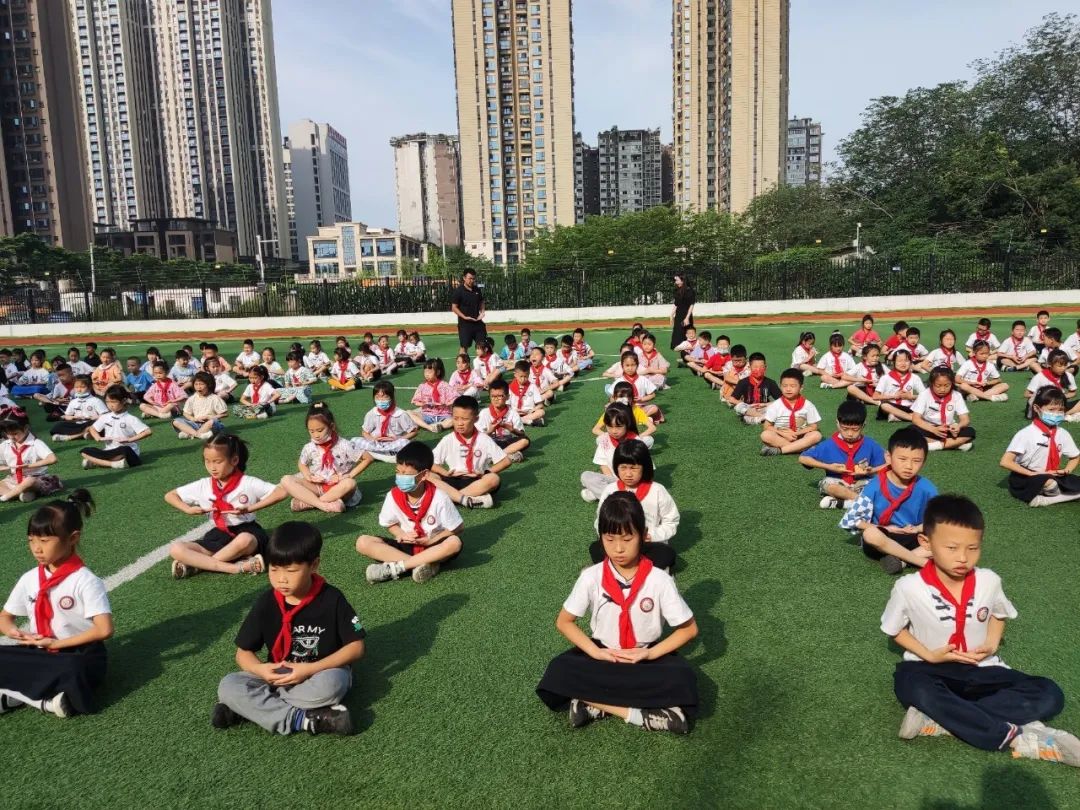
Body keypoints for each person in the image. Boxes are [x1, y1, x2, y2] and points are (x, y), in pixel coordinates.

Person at [881, 494, 1080, 766]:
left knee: (1050, 693)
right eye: (951, 548)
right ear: (925, 543)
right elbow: (894, 631)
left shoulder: (989, 580)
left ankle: (940, 719)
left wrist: (993, 642)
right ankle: (1018, 737)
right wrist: (930, 655)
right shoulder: (908, 587)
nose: (963, 557)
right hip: (930, 667)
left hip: (982, 668)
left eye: (972, 548)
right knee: (912, 685)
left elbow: (999, 613)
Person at [536, 492, 698, 734]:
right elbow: (564, 622)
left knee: (683, 679)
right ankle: (647, 712)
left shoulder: (659, 579)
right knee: (557, 671)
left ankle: (598, 704)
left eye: (627, 538)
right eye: (609, 540)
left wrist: (650, 654)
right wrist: (595, 651)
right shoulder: (591, 577)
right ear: (600, 537)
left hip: (645, 657)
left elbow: (689, 629)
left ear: (643, 536)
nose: (618, 548)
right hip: (604, 655)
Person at [213, 522, 364, 736]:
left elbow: (356, 647)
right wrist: (260, 670)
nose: (281, 579)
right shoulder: (266, 602)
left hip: (319, 672)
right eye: (273, 569)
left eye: (291, 571)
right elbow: (243, 652)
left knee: (333, 684)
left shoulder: (332, 599)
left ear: (314, 565)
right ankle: (304, 719)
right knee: (228, 685)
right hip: (275, 673)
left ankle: (249, 710)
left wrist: (309, 669)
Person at [0, 489, 111, 717]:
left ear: (73, 538)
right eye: (31, 540)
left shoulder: (85, 580)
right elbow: (5, 617)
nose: (36, 548)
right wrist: (16, 632)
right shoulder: (30, 578)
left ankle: (20, 694)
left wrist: (57, 645)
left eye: (44, 540)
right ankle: (41, 698)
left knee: (73, 669)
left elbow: (104, 629)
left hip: (78, 653)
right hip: (41, 650)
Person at [164, 433, 286, 578]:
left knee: (244, 540)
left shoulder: (248, 482)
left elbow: (281, 492)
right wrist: (188, 509)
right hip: (219, 535)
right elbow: (170, 495)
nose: (212, 467)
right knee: (176, 549)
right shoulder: (204, 485)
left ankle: (197, 565)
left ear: (234, 460)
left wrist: (250, 508)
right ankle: (236, 567)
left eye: (217, 461)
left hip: (247, 532)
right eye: (207, 461)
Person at [356, 441, 465, 585]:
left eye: (406, 474)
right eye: (398, 472)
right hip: (408, 545)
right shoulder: (393, 495)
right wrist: (401, 535)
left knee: (454, 543)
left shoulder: (439, 497)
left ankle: (399, 567)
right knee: (362, 542)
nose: (400, 478)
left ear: (424, 475)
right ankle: (423, 565)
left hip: (433, 545)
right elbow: (390, 523)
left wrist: (430, 540)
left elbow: (458, 527)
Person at [839, 427, 938, 574]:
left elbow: (939, 521)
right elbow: (851, 520)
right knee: (870, 534)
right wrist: (888, 529)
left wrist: (916, 529)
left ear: (924, 462)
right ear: (888, 457)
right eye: (902, 459)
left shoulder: (927, 488)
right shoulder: (874, 486)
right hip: (884, 538)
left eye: (916, 461)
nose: (909, 466)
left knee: (948, 537)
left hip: (914, 536)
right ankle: (920, 561)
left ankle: (901, 561)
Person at [592, 440, 678, 570]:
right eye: (623, 468)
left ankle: (627, 570)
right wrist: (610, 539)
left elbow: (671, 521)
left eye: (634, 468)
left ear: (645, 467)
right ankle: (635, 570)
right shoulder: (610, 490)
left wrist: (652, 535)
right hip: (619, 544)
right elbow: (600, 521)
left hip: (647, 544)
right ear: (616, 467)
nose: (628, 474)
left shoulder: (657, 490)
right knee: (595, 548)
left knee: (667, 554)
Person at [1000, 387, 1080, 507]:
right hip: (1026, 476)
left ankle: (1051, 497)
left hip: (1053, 473)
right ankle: (1046, 498)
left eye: (1060, 410)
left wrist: (1066, 470)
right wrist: (1031, 474)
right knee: (1049, 483)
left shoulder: (1063, 433)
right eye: (1052, 409)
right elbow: (1005, 462)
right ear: (1037, 408)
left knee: (1054, 480)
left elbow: (1075, 456)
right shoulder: (1026, 433)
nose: (1056, 414)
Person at [799, 400, 887, 509]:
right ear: (837, 423)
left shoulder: (870, 444)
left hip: (861, 482)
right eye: (845, 428)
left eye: (855, 429)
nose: (850, 434)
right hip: (837, 481)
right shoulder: (829, 444)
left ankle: (844, 503)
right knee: (830, 486)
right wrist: (829, 467)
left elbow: (891, 462)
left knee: (879, 486)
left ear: (863, 424)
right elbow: (803, 458)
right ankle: (864, 503)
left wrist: (872, 470)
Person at [279, 403, 363, 514]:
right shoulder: (310, 447)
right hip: (317, 487)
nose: (316, 435)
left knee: (350, 483)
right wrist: (308, 476)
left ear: (332, 427)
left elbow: (368, 458)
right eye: (311, 431)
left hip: (339, 489)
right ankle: (323, 504)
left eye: (320, 430)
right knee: (286, 480)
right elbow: (302, 463)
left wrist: (348, 475)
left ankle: (310, 502)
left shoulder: (344, 445)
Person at [429, 396, 509, 509]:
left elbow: (506, 461)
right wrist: (445, 473)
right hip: (453, 478)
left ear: (476, 419)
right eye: (456, 418)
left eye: (465, 419)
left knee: (493, 479)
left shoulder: (484, 439)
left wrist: (485, 472)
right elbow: (430, 463)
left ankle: (451, 499)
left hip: (476, 480)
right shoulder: (448, 439)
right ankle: (469, 499)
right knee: (427, 476)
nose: (460, 423)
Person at [80, 386, 152, 470]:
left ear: (124, 401)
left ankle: (96, 462)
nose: (110, 405)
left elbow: (148, 431)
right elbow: (92, 428)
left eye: (113, 401)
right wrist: (98, 438)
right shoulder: (105, 417)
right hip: (109, 451)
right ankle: (113, 464)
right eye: (107, 402)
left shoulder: (130, 418)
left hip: (126, 452)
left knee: (125, 449)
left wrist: (129, 440)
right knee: (84, 451)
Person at [0, 406, 61, 503]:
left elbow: (52, 459)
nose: (11, 437)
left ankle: (7, 496)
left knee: (29, 481)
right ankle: (21, 493)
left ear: (26, 428)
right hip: (14, 479)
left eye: (15, 433)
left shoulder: (36, 443)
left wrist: (28, 465)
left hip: (36, 479)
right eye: (8, 434)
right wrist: (4, 467)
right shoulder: (5, 445)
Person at [760, 369, 823, 456]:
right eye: (785, 386)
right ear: (780, 386)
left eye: (793, 386)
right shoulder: (775, 405)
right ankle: (802, 448)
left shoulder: (808, 405)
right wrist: (784, 434)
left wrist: (795, 433)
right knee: (765, 435)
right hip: (782, 436)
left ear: (801, 388)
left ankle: (780, 450)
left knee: (816, 435)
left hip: (801, 436)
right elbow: (767, 426)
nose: (788, 389)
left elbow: (814, 427)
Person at [582, 404, 638, 501]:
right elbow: (602, 463)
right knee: (586, 476)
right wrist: (612, 483)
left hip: (632, 482)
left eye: (618, 427)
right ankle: (615, 496)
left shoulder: (636, 441)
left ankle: (606, 496)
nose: (614, 431)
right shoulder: (604, 439)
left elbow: (646, 469)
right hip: (613, 480)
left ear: (627, 424)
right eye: (610, 427)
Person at [911, 368, 975, 452]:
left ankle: (933, 446)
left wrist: (958, 427)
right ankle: (954, 444)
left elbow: (965, 419)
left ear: (952, 384)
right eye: (938, 386)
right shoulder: (924, 394)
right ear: (931, 383)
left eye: (947, 385)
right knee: (910, 431)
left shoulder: (956, 395)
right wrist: (933, 429)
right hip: (929, 428)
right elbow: (915, 419)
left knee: (970, 431)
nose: (942, 389)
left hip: (948, 429)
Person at [352, 379, 418, 461]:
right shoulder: (372, 413)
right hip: (376, 443)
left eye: (385, 397)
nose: (381, 400)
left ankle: (375, 454)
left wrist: (398, 439)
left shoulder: (401, 414)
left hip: (394, 443)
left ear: (392, 397)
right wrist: (373, 439)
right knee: (354, 441)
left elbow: (413, 431)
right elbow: (365, 432)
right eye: (377, 397)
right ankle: (387, 454)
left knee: (405, 443)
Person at [476, 378, 529, 463]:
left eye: (500, 396)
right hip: (491, 441)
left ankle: (495, 457)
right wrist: (490, 431)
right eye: (493, 396)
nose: (496, 399)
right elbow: (477, 437)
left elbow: (522, 434)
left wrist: (512, 430)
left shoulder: (512, 413)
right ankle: (507, 455)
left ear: (507, 397)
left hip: (507, 442)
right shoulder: (484, 413)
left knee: (525, 440)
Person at [726, 352, 781, 424]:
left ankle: (757, 419)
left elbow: (782, 399)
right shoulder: (743, 382)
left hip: (764, 408)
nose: (758, 369)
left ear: (765, 367)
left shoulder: (770, 382)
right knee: (738, 407)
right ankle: (763, 418)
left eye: (761, 367)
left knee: (778, 405)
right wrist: (746, 405)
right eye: (755, 367)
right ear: (749, 367)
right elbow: (732, 399)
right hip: (749, 408)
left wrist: (765, 404)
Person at [51, 375, 108, 441]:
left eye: (82, 387)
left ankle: (69, 437)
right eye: (76, 387)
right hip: (78, 424)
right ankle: (86, 434)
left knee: (98, 424)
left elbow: (106, 415)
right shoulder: (73, 402)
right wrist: (73, 417)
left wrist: (94, 417)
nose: (79, 390)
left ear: (89, 387)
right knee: (58, 426)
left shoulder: (96, 400)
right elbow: (67, 416)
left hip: (91, 423)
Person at [873, 349, 925, 423]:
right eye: (899, 361)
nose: (903, 364)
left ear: (910, 363)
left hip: (909, 407)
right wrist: (893, 396)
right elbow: (875, 396)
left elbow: (925, 395)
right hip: (891, 406)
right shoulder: (886, 377)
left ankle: (898, 417)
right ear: (894, 363)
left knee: (929, 408)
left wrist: (911, 397)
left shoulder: (915, 377)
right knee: (884, 406)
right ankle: (912, 417)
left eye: (906, 361)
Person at [173, 371, 228, 440]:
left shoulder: (215, 398)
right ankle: (199, 435)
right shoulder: (192, 398)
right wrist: (194, 419)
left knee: (213, 422)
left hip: (209, 424)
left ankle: (189, 434)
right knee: (176, 421)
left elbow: (224, 414)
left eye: (201, 384)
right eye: (196, 384)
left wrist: (209, 417)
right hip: (195, 424)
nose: (199, 387)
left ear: (208, 385)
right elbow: (185, 413)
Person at [409, 358, 455, 434]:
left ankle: (439, 425)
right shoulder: (422, 386)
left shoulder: (445, 385)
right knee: (408, 413)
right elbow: (415, 401)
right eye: (425, 371)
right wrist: (422, 403)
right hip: (427, 415)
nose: (427, 374)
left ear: (437, 372)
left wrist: (447, 403)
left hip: (443, 415)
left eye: (429, 372)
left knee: (454, 419)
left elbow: (455, 398)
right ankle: (430, 427)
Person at [452, 269, 487, 355]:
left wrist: (482, 312)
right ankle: (462, 367)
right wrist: (464, 317)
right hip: (465, 324)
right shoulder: (459, 291)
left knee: (482, 345)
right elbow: (454, 307)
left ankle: (483, 366)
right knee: (464, 347)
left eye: (473, 279)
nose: (472, 281)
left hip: (478, 322)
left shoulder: (477, 290)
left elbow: (481, 302)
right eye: (470, 278)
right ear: (464, 278)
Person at [845, 344, 888, 410]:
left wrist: (877, 385)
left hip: (877, 390)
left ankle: (866, 400)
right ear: (865, 357)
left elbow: (892, 377)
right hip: (863, 390)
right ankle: (875, 402)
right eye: (873, 356)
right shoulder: (860, 366)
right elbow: (845, 376)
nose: (875, 358)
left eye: (877, 355)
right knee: (850, 388)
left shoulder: (882, 366)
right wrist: (861, 380)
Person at [508, 360, 546, 426]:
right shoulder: (510, 387)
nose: (523, 379)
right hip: (514, 412)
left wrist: (531, 411)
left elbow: (540, 405)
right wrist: (514, 411)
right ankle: (528, 421)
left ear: (529, 374)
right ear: (515, 374)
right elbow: (506, 405)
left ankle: (518, 421)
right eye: (521, 376)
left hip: (528, 413)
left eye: (525, 376)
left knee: (541, 412)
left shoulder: (533, 386)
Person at [669, 273, 696, 350]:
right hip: (678, 315)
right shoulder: (677, 290)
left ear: (683, 280)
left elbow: (691, 305)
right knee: (677, 332)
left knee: (686, 332)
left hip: (686, 314)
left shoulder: (690, 291)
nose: (675, 282)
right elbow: (676, 303)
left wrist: (687, 318)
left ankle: (688, 350)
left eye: (677, 280)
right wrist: (671, 315)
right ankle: (680, 350)